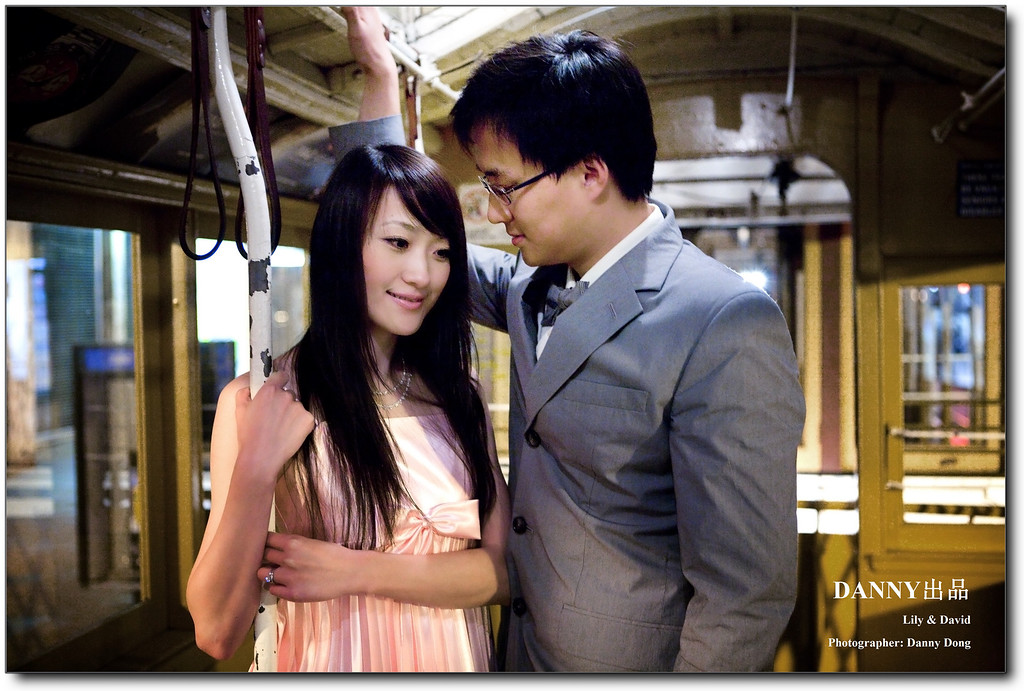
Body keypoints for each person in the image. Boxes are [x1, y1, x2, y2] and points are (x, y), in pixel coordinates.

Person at [331, 7, 805, 672]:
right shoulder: (529, 285)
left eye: (504, 186)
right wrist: (380, 76)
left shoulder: (724, 320)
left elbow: (744, 596)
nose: (493, 211)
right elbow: (388, 227)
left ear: (589, 173)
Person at [185, 138, 511, 671]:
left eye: (441, 252)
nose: (422, 274)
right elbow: (217, 631)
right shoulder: (265, 400)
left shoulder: (458, 394)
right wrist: (257, 466)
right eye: (398, 242)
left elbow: (504, 571)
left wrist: (356, 571)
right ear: (341, 245)